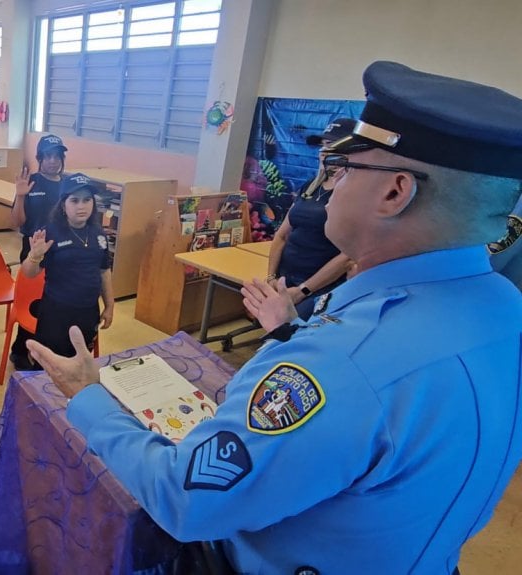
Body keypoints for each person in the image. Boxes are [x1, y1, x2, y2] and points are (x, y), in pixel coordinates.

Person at [28, 61, 522, 574]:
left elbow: (186, 499)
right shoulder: (506, 309)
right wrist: (292, 332)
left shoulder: (341, 364)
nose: (330, 184)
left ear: (395, 192)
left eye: (346, 168)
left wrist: (89, 397)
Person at [265, 118, 356, 320]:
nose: (324, 152)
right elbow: (282, 235)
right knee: (276, 332)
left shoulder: (355, 193)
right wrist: (271, 277)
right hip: (286, 278)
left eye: (332, 146)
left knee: (292, 335)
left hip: (320, 287)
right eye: (323, 146)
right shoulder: (310, 186)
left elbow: (347, 255)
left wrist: (303, 290)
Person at [21, 173, 113, 359]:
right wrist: (34, 256)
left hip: (88, 311)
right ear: (63, 205)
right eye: (75, 200)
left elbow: (104, 271)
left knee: (80, 362)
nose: (82, 206)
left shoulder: (99, 234)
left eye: (87, 200)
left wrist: (110, 305)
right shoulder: (51, 233)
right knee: (49, 365)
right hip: (56, 313)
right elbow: (29, 274)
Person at [9, 134, 68, 370]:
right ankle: (20, 350)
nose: (53, 161)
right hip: (33, 249)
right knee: (31, 303)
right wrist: (21, 197)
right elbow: (16, 221)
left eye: (57, 156)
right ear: (40, 158)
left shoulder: (68, 185)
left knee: (53, 303)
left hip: (61, 251)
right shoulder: (29, 182)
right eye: (48, 156)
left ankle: (46, 350)